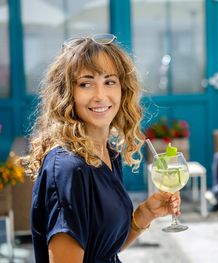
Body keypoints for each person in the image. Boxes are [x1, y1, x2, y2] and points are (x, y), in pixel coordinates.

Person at [22, 34, 181, 263]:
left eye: (109, 81)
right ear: (67, 94)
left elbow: (104, 250)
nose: (100, 95)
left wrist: (145, 214)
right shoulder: (68, 168)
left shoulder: (108, 153)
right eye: (86, 84)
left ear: (123, 89)